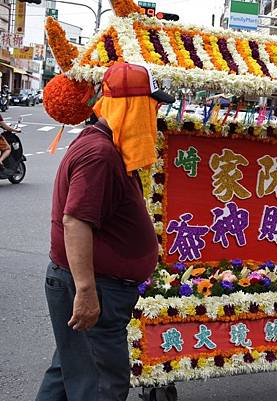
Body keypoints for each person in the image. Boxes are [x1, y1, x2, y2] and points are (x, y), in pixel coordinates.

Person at [36, 63, 175, 401]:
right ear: (131, 106)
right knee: (101, 386)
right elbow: (76, 221)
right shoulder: (100, 154)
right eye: (151, 105)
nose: (155, 114)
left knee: (71, 372)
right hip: (94, 286)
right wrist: (85, 292)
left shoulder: (108, 146)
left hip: (98, 284)